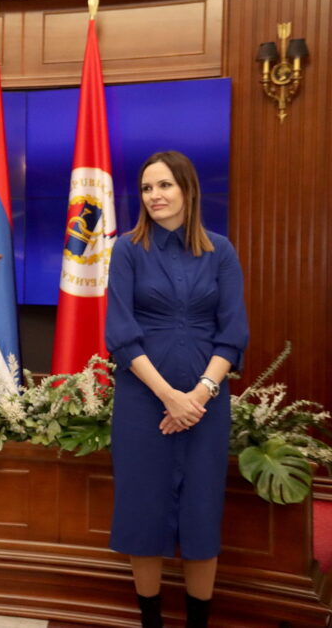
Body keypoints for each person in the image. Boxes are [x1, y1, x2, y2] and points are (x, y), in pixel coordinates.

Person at [105, 151, 248, 628]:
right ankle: (151, 623)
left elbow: (233, 333)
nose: (155, 196)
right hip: (143, 402)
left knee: (201, 514)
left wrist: (199, 395)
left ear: (188, 190)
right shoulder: (127, 249)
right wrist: (170, 397)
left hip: (207, 406)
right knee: (143, 513)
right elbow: (121, 333)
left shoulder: (221, 251)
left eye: (164, 185)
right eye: (147, 188)